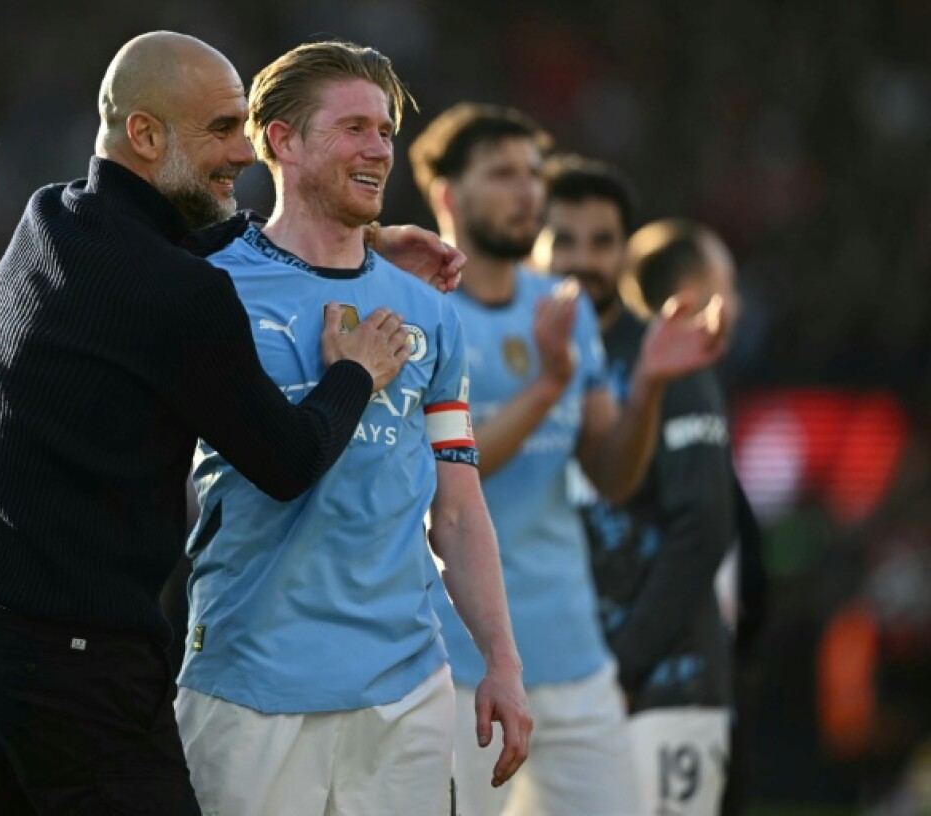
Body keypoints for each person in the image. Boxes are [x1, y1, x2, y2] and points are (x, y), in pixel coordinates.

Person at [0, 31, 466, 814]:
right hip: (77, 661)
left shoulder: (50, 220)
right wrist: (354, 373)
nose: (242, 152)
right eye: (221, 129)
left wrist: (361, 239)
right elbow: (288, 459)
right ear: (145, 134)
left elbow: (186, 233)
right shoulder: (183, 296)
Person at [173, 42, 531, 816]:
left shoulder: (431, 311)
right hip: (249, 686)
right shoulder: (206, 285)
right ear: (283, 141)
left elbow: (460, 506)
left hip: (404, 694)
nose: (378, 149)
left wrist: (502, 661)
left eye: (385, 132)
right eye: (355, 128)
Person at [408, 104, 725, 815]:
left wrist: (644, 384)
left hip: (575, 656)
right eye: (502, 174)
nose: (527, 192)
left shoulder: (564, 306)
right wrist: (548, 384)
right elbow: (445, 479)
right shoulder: (422, 311)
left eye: (533, 174)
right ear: (448, 196)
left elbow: (613, 475)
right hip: (459, 661)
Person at [545, 157, 738, 816]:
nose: (583, 260)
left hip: (661, 689)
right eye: (564, 239)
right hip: (548, 688)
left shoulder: (670, 358)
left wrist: (620, 671)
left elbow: (705, 527)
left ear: (626, 251)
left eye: (602, 241)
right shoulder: (513, 359)